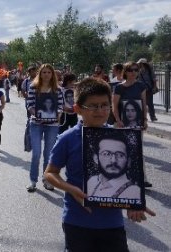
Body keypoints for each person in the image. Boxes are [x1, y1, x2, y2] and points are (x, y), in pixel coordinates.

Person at [44, 77, 155, 252]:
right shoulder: (68, 138)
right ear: (78, 109)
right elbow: (50, 173)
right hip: (77, 220)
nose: (100, 110)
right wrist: (73, 190)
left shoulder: (120, 137)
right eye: (93, 106)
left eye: (105, 105)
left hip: (112, 223)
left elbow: (128, 177)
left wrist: (134, 203)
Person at [26, 63, 63, 192]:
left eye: (49, 72)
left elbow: (60, 105)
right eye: (44, 72)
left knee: (48, 154)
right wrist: (36, 113)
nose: (46, 75)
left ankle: (47, 180)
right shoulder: (33, 87)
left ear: (52, 74)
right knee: (36, 153)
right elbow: (29, 104)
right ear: (40, 74)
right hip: (36, 124)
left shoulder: (58, 90)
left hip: (52, 125)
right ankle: (32, 180)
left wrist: (58, 114)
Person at [87, 135, 141, 199]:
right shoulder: (92, 181)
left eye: (120, 155)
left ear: (128, 161)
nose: (113, 160)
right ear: (96, 158)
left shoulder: (134, 191)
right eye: (106, 154)